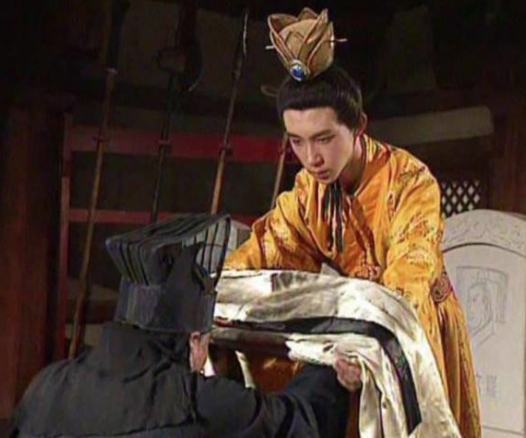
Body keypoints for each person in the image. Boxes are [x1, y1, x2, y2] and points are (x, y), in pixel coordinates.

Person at [225, 8, 481, 438]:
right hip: (357, 332)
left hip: (414, 327)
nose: (312, 158)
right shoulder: (309, 192)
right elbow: (267, 253)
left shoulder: (410, 182)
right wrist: (212, 294)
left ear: (358, 126)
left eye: (324, 139)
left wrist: (371, 348)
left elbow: (409, 276)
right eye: (297, 142)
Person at [11, 214, 350, 438]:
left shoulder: (47, 386)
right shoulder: (196, 401)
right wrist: (329, 361)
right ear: (193, 340)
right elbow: (300, 422)